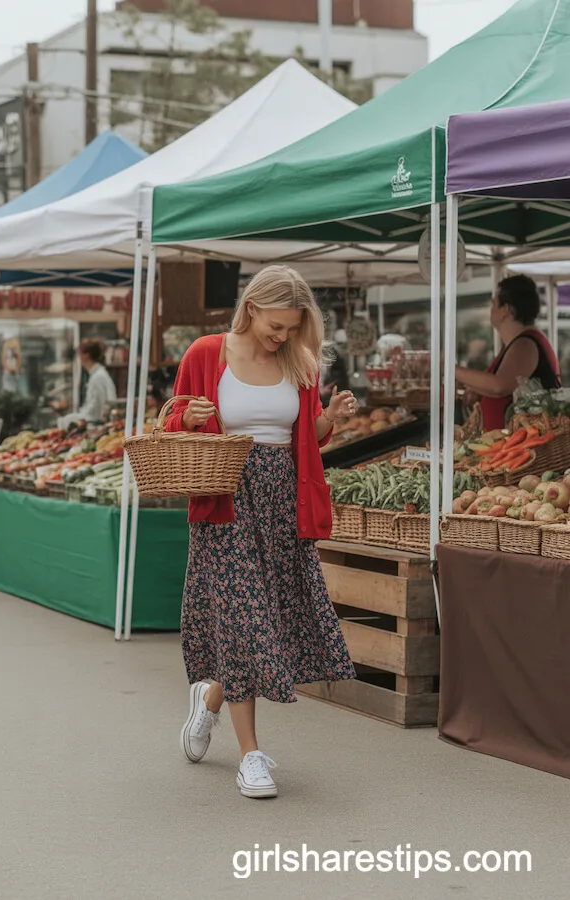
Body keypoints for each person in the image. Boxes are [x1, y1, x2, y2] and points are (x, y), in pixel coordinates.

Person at [166, 265, 357, 800]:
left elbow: (304, 439)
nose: (284, 337)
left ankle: (208, 706)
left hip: (282, 499)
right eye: (277, 326)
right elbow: (173, 427)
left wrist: (328, 417)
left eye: (293, 328)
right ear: (251, 309)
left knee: (260, 619)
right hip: (226, 494)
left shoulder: (299, 362)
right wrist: (192, 416)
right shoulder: (206, 353)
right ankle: (251, 757)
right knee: (246, 617)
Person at [455, 275, 560, 430]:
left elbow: (500, 386)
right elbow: (502, 385)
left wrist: (451, 370)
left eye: (494, 303)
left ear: (505, 310)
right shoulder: (519, 343)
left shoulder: (526, 344)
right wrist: (475, 389)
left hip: (527, 451)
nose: (491, 309)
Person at [58, 338, 117, 428]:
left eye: (79, 354)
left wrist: (67, 421)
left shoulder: (98, 377)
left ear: (86, 355)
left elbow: (94, 413)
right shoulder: (98, 374)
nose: (79, 358)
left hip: (95, 426)